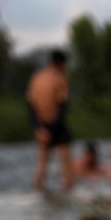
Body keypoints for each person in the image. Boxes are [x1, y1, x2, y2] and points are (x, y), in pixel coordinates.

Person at [27, 50, 75, 191]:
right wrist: (51, 129)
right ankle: (69, 192)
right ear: (61, 63)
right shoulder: (60, 79)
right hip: (56, 125)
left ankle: (37, 194)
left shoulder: (37, 78)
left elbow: (31, 106)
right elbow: (62, 107)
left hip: (41, 125)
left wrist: (38, 128)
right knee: (66, 164)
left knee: (41, 166)